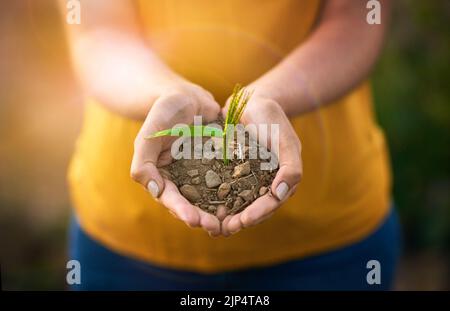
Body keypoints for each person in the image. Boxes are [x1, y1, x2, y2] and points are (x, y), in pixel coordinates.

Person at [63, 0, 400, 290]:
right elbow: (97, 27)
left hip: (327, 237)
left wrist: (271, 96)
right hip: (127, 241)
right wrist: (163, 95)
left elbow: (358, 15)